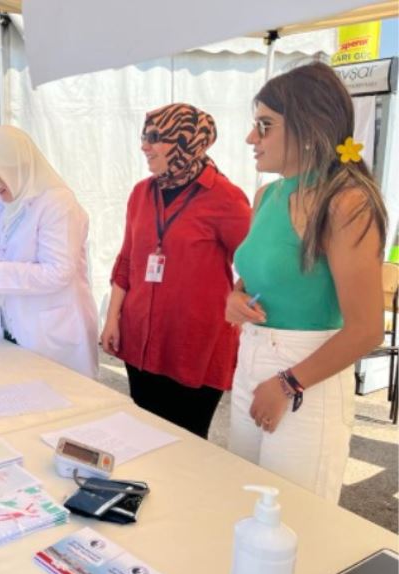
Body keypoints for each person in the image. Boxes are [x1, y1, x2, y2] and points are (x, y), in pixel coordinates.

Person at [226, 61, 386, 502]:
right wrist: (234, 299)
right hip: (252, 358)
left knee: (294, 519)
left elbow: (367, 329)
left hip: (308, 373)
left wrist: (287, 384)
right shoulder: (268, 195)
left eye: (265, 126)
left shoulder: (346, 202)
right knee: (242, 501)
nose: (251, 139)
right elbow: (255, 278)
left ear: (308, 127)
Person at [100, 103, 251, 439]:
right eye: (144, 136)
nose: (144, 145)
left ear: (186, 141)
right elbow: (126, 260)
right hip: (140, 337)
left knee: (186, 445)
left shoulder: (225, 198)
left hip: (194, 344)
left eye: (155, 137)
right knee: (142, 436)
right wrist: (113, 318)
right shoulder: (141, 193)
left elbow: (258, 263)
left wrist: (237, 299)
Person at [0, 125, 99, 378]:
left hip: (51, 333)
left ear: (14, 168)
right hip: (11, 324)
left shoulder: (58, 204)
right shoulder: (0, 200)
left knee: (60, 400)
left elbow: (59, 271)